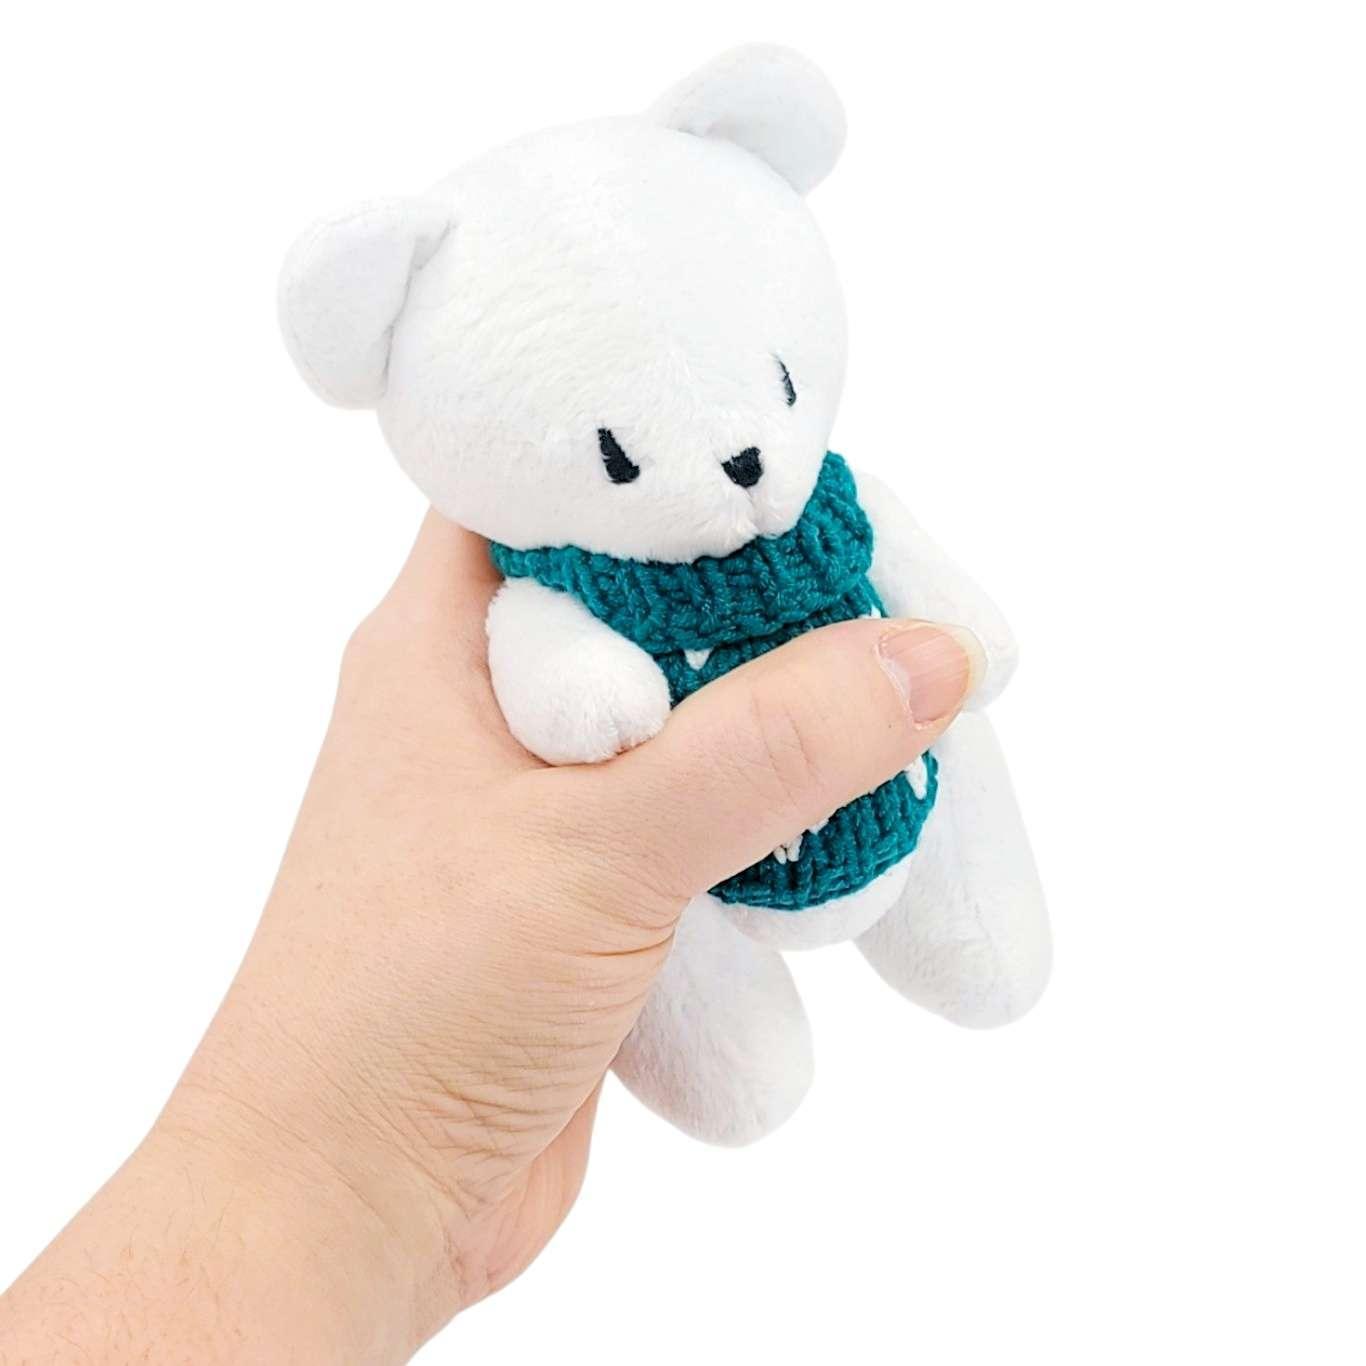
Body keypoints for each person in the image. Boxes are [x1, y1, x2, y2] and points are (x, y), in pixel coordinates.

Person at [0, 512, 978, 1362]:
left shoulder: (834, 513)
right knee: (715, 1023)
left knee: (973, 906)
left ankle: (973, 927)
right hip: (715, 878)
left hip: (913, 803)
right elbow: (564, 684)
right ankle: (744, 1044)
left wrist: (360, 1179)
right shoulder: (561, 584)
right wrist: (377, 1166)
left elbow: (943, 599)